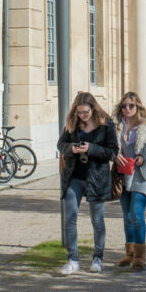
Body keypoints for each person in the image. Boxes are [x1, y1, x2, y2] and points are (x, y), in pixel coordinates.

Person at [57, 92, 119, 275]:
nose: (82, 116)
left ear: (93, 108)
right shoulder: (72, 124)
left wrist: (91, 148)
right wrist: (72, 148)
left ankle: (98, 258)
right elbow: (61, 145)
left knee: (97, 220)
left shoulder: (106, 124)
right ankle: (72, 259)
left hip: (97, 177)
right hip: (74, 176)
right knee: (70, 218)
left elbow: (113, 152)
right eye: (79, 113)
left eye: (85, 112)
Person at [113, 92, 146, 271]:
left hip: (142, 174)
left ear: (137, 107)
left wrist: (143, 157)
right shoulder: (116, 126)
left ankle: (140, 257)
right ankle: (130, 253)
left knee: (136, 214)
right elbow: (111, 147)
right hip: (123, 174)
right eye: (124, 106)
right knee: (126, 216)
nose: (127, 109)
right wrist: (114, 155)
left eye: (131, 106)